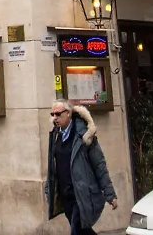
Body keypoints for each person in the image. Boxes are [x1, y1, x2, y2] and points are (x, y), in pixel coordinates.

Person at [44, 101, 116, 235]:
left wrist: (110, 194)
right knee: (84, 231)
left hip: (81, 195)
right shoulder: (55, 135)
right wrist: (49, 188)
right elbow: (53, 166)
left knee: (76, 230)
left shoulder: (84, 134)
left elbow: (99, 164)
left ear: (68, 114)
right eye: (52, 114)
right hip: (65, 195)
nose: (55, 118)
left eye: (58, 114)